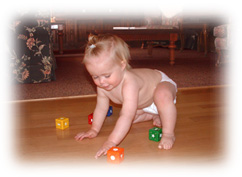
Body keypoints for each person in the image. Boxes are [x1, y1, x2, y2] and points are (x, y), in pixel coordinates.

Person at [75, 34, 177, 159]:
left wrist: (111, 142)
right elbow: (101, 108)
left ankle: (168, 133)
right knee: (127, 122)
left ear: (122, 65)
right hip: (144, 103)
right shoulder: (102, 86)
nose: (101, 82)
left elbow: (126, 115)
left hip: (161, 84)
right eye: (95, 77)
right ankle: (154, 114)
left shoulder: (130, 83)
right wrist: (94, 129)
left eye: (107, 76)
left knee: (160, 96)